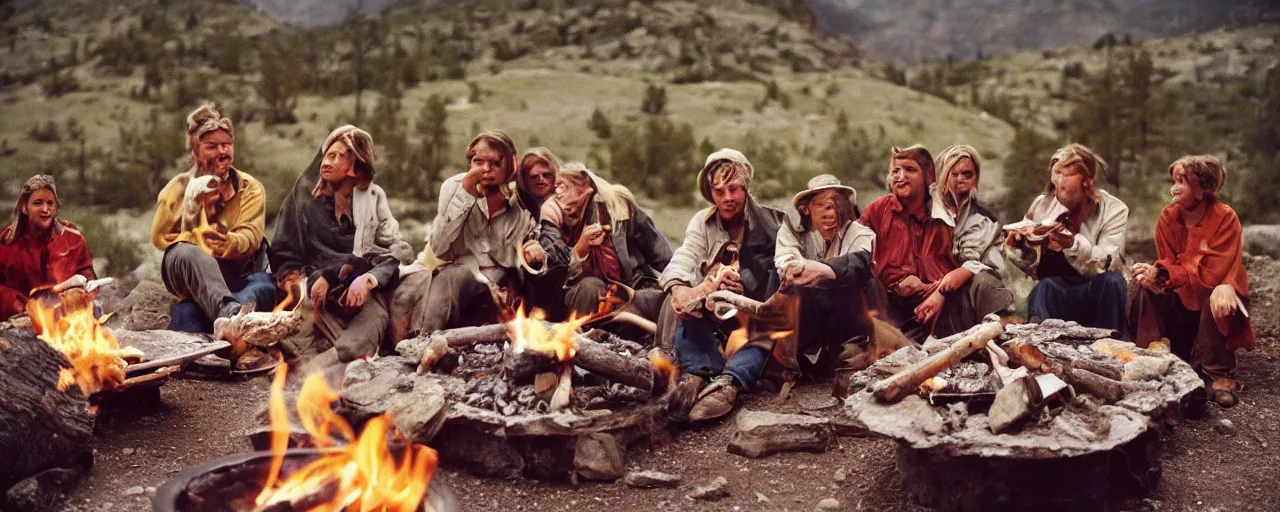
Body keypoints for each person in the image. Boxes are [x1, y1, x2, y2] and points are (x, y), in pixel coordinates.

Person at [660, 148, 787, 421]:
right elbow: (685, 256)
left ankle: (729, 385)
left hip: (757, 318)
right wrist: (680, 288)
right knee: (688, 320)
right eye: (719, 191)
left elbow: (782, 276)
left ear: (746, 187)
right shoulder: (703, 223)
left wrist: (745, 287)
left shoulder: (774, 224)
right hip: (715, 315)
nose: (727, 198)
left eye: (734, 189)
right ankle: (695, 378)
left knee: (761, 340)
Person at [270, 126, 412, 362]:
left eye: (339, 157)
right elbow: (284, 251)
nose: (327, 163)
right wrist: (298, 281)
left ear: (356, 165)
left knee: (360, 342)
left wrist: (363, 279)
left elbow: (390, 252)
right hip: (314, 289)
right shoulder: (306, 200)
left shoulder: (373, 201)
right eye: (328, 155)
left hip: (361, 288)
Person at [1130, 155, 1254, 407]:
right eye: (1173, 181)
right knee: (1146, 287)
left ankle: (1218, 371)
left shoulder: (1225, 218)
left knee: (1219, 294)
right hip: (1182, 302)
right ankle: (1153, 356)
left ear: (1202, 189)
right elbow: (1167, 261)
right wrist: (1156, 274)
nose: (1174, 188)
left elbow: (1212, 271)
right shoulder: (1168, 217)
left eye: (1182, 182)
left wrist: (1166, 271)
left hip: (1211, 298)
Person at [393, 131, 545, 335]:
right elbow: (439, 247)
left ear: (511, 165)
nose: (485, 169)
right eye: (478, 161)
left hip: (498, 289)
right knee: (456, 273)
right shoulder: (453, 187)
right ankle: (423, 339)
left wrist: (533, 249)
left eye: (494, 163)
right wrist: (465, 195)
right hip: (454, 278)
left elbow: (531, 242)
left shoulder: (522, 201)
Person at [860, 145, 1012, 343]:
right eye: (895, 171)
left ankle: (997, 338)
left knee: (985, 283)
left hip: (943, 298)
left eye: (967, 174)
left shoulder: (968, 217)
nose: (960, 181)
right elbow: (860, 251)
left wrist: (938, 290)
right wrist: (896, 281)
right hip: (894, 302)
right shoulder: (879, 210)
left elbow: (961, 265)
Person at [151, 103, 275, 337]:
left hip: (239, 274)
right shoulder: (176, 190)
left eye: (226, 145)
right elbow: (160, 238)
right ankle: (231, 316)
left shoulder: (250, 189)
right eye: (212, 147)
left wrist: (227, 242)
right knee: (189, 252)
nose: (222, 152)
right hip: (191, 271)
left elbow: (251, 235)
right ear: (196, 155)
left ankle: (228, 338)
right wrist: (197, 238)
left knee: (262, 288)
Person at [1006, 143, 1129, 333]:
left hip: (1096, 290)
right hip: (1060, 289)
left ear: (1087, 181)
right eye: (1056, 174)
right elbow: (1033, 269)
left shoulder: (1114, 210)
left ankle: (1109, 343)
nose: (1058, 182)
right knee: (1043, 289)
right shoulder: (1043, 204)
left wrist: (1072, 244)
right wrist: (1021, 245)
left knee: (1112, 282)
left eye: (1066, 174)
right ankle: (1040, 346)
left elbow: (1109, 263)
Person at [537, 162, 672, 319]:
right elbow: (554, 271)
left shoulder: (618, 208)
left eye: (562, 186)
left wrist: (680, 284)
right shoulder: (556, 219)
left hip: (630, 288)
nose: (557, 194)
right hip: (583, 299)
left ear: (584, 185)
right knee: (590, 287)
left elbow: (659, 253)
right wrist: (580, 248)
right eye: (556, 189)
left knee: (654, 299)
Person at [774, 174, 878, 378]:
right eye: (820, 205)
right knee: (782, 285)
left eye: (833, 205)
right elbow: (786, 261)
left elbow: (860, 262)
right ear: (807, 209)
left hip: (845, 317)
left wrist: (820, 268)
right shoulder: (793, 232)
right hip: (809, 316)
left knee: (868, 281)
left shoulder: (860, 233)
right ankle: (801, 356)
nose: (828, 212)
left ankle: (854, 347)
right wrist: (797, 268)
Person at [0, 175, 96, 319]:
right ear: (25, 207)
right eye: (38, 203)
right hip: (20, 316)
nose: (45, 209)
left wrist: (79, 291)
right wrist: (21, 304)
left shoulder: (72, 239)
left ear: (56, 208)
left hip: (64, 318)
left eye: (50, 203)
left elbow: (87, 277)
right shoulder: (8, 240)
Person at [516, 147, 561, 219]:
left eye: (546, 175)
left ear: (554, 176)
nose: (541, 180)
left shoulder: (565, 206)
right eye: (534, 176)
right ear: (524, 180)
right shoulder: (515, 208)